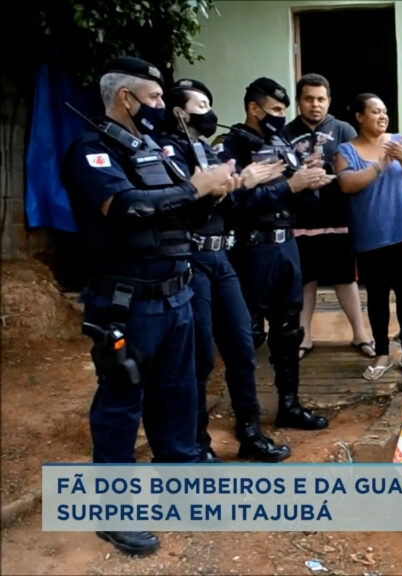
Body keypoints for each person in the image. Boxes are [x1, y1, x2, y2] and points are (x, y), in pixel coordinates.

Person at [62, 56, 236, 556]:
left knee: (178, 396)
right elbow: (127, 209)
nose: (162, 106)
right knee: (121, 404)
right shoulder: (91, 151)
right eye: (155, 97)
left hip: (177, 292)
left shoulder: (154, 150)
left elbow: (186, 207)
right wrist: (192, 188)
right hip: (127, 302)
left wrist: (217, 189)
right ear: (126, 98)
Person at [158, 78, 292, 463]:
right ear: (179, 112)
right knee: (200, 357)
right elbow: (181, 209)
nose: (209, 110)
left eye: (209, 101)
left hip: (222, 260)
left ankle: (250, 433)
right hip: (192, 258)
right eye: (201, 104)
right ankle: (198, 443)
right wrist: (227, 187)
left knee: (242, 346)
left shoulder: (211, 151)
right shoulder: (169, 153)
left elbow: (232, 208)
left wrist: (240, 186)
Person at [219, 77, 331, 430]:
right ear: (254, 108)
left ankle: (289, 405)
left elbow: (301, 199)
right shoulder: (230, 147)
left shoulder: (281, 143)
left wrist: (310, 182)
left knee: (288, 333)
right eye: (276, 110)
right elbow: (230, 204)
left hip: (287, 247)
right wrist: (289, 187)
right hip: (251, 250)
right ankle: (247, 419)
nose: (282, 116)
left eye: (284, 110)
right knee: (247, 336)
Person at [336, 93, 402, 381]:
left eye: (384, 111)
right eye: (375, 111)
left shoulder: (399, 142)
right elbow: (347, 184)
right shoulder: (346, 150)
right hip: (370, 236)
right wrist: (378, 165)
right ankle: (382, 354)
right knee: (377, 298)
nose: (382, 116)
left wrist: (401, 157)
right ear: (360, 117)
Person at [281, 74, 373, 360]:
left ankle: (360, 334)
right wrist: (299, 178)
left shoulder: (344, 130)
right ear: (299, 102)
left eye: (321, 99)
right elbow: (278, 173)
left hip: (339, 217)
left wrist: (330, 177)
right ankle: (304, 336)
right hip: (300, 219)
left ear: (329, 101)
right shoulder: (284, 134)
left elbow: (356, 169)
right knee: (305, 279)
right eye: (308, 99)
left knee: (345, 278)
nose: (315, 105)